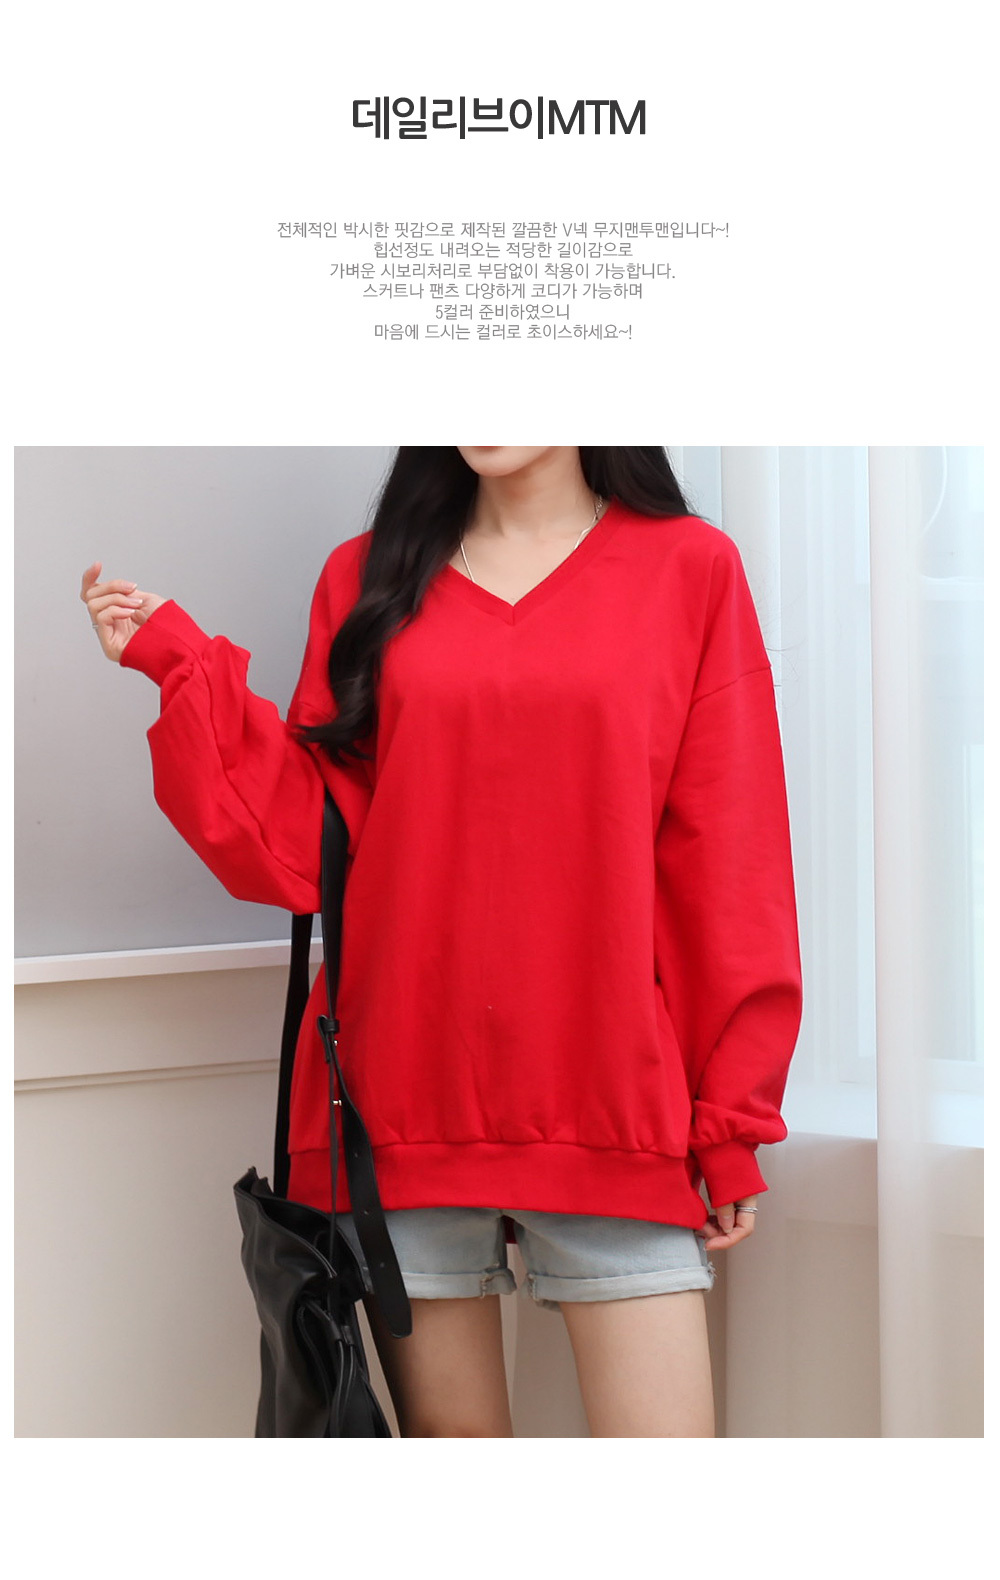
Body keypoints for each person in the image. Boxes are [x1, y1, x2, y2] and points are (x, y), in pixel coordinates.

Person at [80, 442, 801, 1441]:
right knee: (464, 1520)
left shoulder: (689, 568)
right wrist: (179, 664)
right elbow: (309, 845)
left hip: (613, 1103)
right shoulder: (367, 575)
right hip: (401, 1104)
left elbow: (728, 859)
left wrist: (729, 1122)